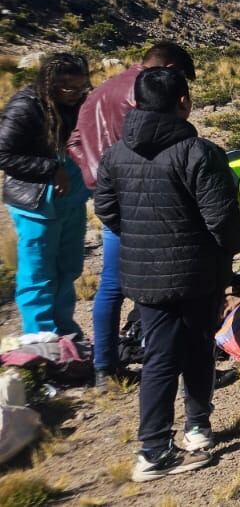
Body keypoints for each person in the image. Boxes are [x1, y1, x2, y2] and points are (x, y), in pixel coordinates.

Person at [94, 68, 240, 482]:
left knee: (162, 354)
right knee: (196, 347)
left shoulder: (114, 155)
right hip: (199, 273)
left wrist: (143, 238)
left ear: (137, 103)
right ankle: (163, 446)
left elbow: (106, 209)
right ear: (184, 102)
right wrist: (230, 250)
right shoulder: (198, 152)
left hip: (145, 275)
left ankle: (180, 434)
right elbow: (223, 221)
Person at [67, 41, 196, 390]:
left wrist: (96, 176)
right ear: (170, 69)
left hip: (111, 197)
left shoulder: (100, 91)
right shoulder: (143, 93)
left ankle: (104, 367)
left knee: (112, 284)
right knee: (166, 280)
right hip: (147, 196)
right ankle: (170, 363)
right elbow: (154, 143)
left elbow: (74, 140)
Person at [0, 52, 92, 335]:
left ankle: (64, 331)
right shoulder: (25, 106)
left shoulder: (79, 103)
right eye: (67, 87)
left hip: (72, 200)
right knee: (38, 272)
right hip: (36, 204)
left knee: (68, 268)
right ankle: (40, 336)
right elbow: (4, 154)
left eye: (80, 87)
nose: (74, 93)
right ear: (49, 83)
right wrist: (50, 169)